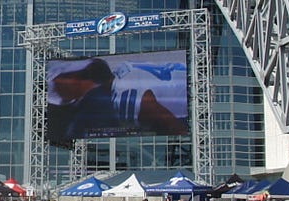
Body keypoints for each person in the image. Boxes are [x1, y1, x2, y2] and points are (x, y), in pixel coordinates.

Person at [45, 57, 189, 143]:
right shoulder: (123, 68)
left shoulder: (123, 97)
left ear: (71, 79)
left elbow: (175, 127)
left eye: (57, 88)